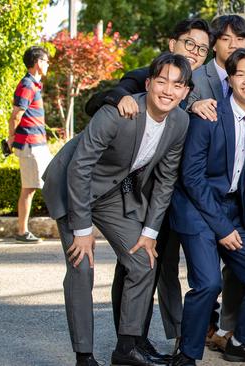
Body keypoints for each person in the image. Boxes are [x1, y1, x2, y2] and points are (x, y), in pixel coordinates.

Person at [41, 52, 192, 366]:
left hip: (111, 192)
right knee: (82, 267)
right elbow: (79, 168)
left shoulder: (180, 121)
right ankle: (84, 356)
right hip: (73, 186)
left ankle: (126, 349)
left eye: (177, 85)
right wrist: (82, 231)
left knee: (143, 261)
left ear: (186, 92)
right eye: (161, 81)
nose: (168, 90)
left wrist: (150, 233)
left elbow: (166, 179)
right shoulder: (119, 113)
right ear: (148, 84)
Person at [84, 19, 213, 356]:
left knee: (159, 264)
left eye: (202, 48)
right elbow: (100, 100)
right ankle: (130, 340)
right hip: (132, 189)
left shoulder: (193, 85)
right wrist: (118, 98)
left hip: (167, 192)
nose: (195, 52)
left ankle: (143, 340)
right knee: (134, 263)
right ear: (172, 43)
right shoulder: (151, 73)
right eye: (189, 43)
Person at [168, 48, 245, 366]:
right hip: (196, 208)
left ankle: (243, 342)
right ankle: (187, 354)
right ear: (230, 79)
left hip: (235, 210)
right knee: (208, 283)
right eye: (240, 73)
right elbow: (191, 177)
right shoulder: (208, 115)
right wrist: (222, 227)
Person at [7, 46, 52, 243]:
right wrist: (11, 140)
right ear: (38, 63)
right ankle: (22, 231)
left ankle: (23, 230)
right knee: (29, 188)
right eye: (46, 61)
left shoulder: (33, 85)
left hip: (38, 144)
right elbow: (16, 115)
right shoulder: (27, 85)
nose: (48, 64)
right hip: (30, 144)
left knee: (47, 182)